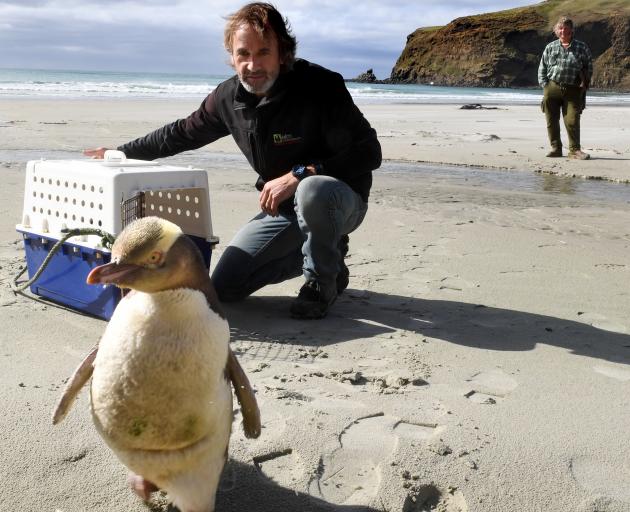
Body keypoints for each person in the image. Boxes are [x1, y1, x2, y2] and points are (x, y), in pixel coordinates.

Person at [85, 2, 382, 319]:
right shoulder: (228, 99)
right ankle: (332, 259)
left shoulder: (320, 87)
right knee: (225, 286)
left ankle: (321, 284)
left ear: (283, 52)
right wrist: (122, 152)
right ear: (231, 56)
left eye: (263, 52)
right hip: (284, 209)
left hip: (338, 200)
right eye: (244, 54)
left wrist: (301, 173)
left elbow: (370, 152)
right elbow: (180, 133)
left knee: (312, 190)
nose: (253, 65)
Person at [538, 15, 593, 160]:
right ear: (556, 30)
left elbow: (589, 66)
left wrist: (584, 84)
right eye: (560, 29)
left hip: (573, 89)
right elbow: (542, 67)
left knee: (572, 120)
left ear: (571, 31)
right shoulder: (550, 47)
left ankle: (574, 150)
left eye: (566, 29)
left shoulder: (582, 47)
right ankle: (556, 149)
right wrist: (545, 85)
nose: (563, 31)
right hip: (552, 87)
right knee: (551, 120)